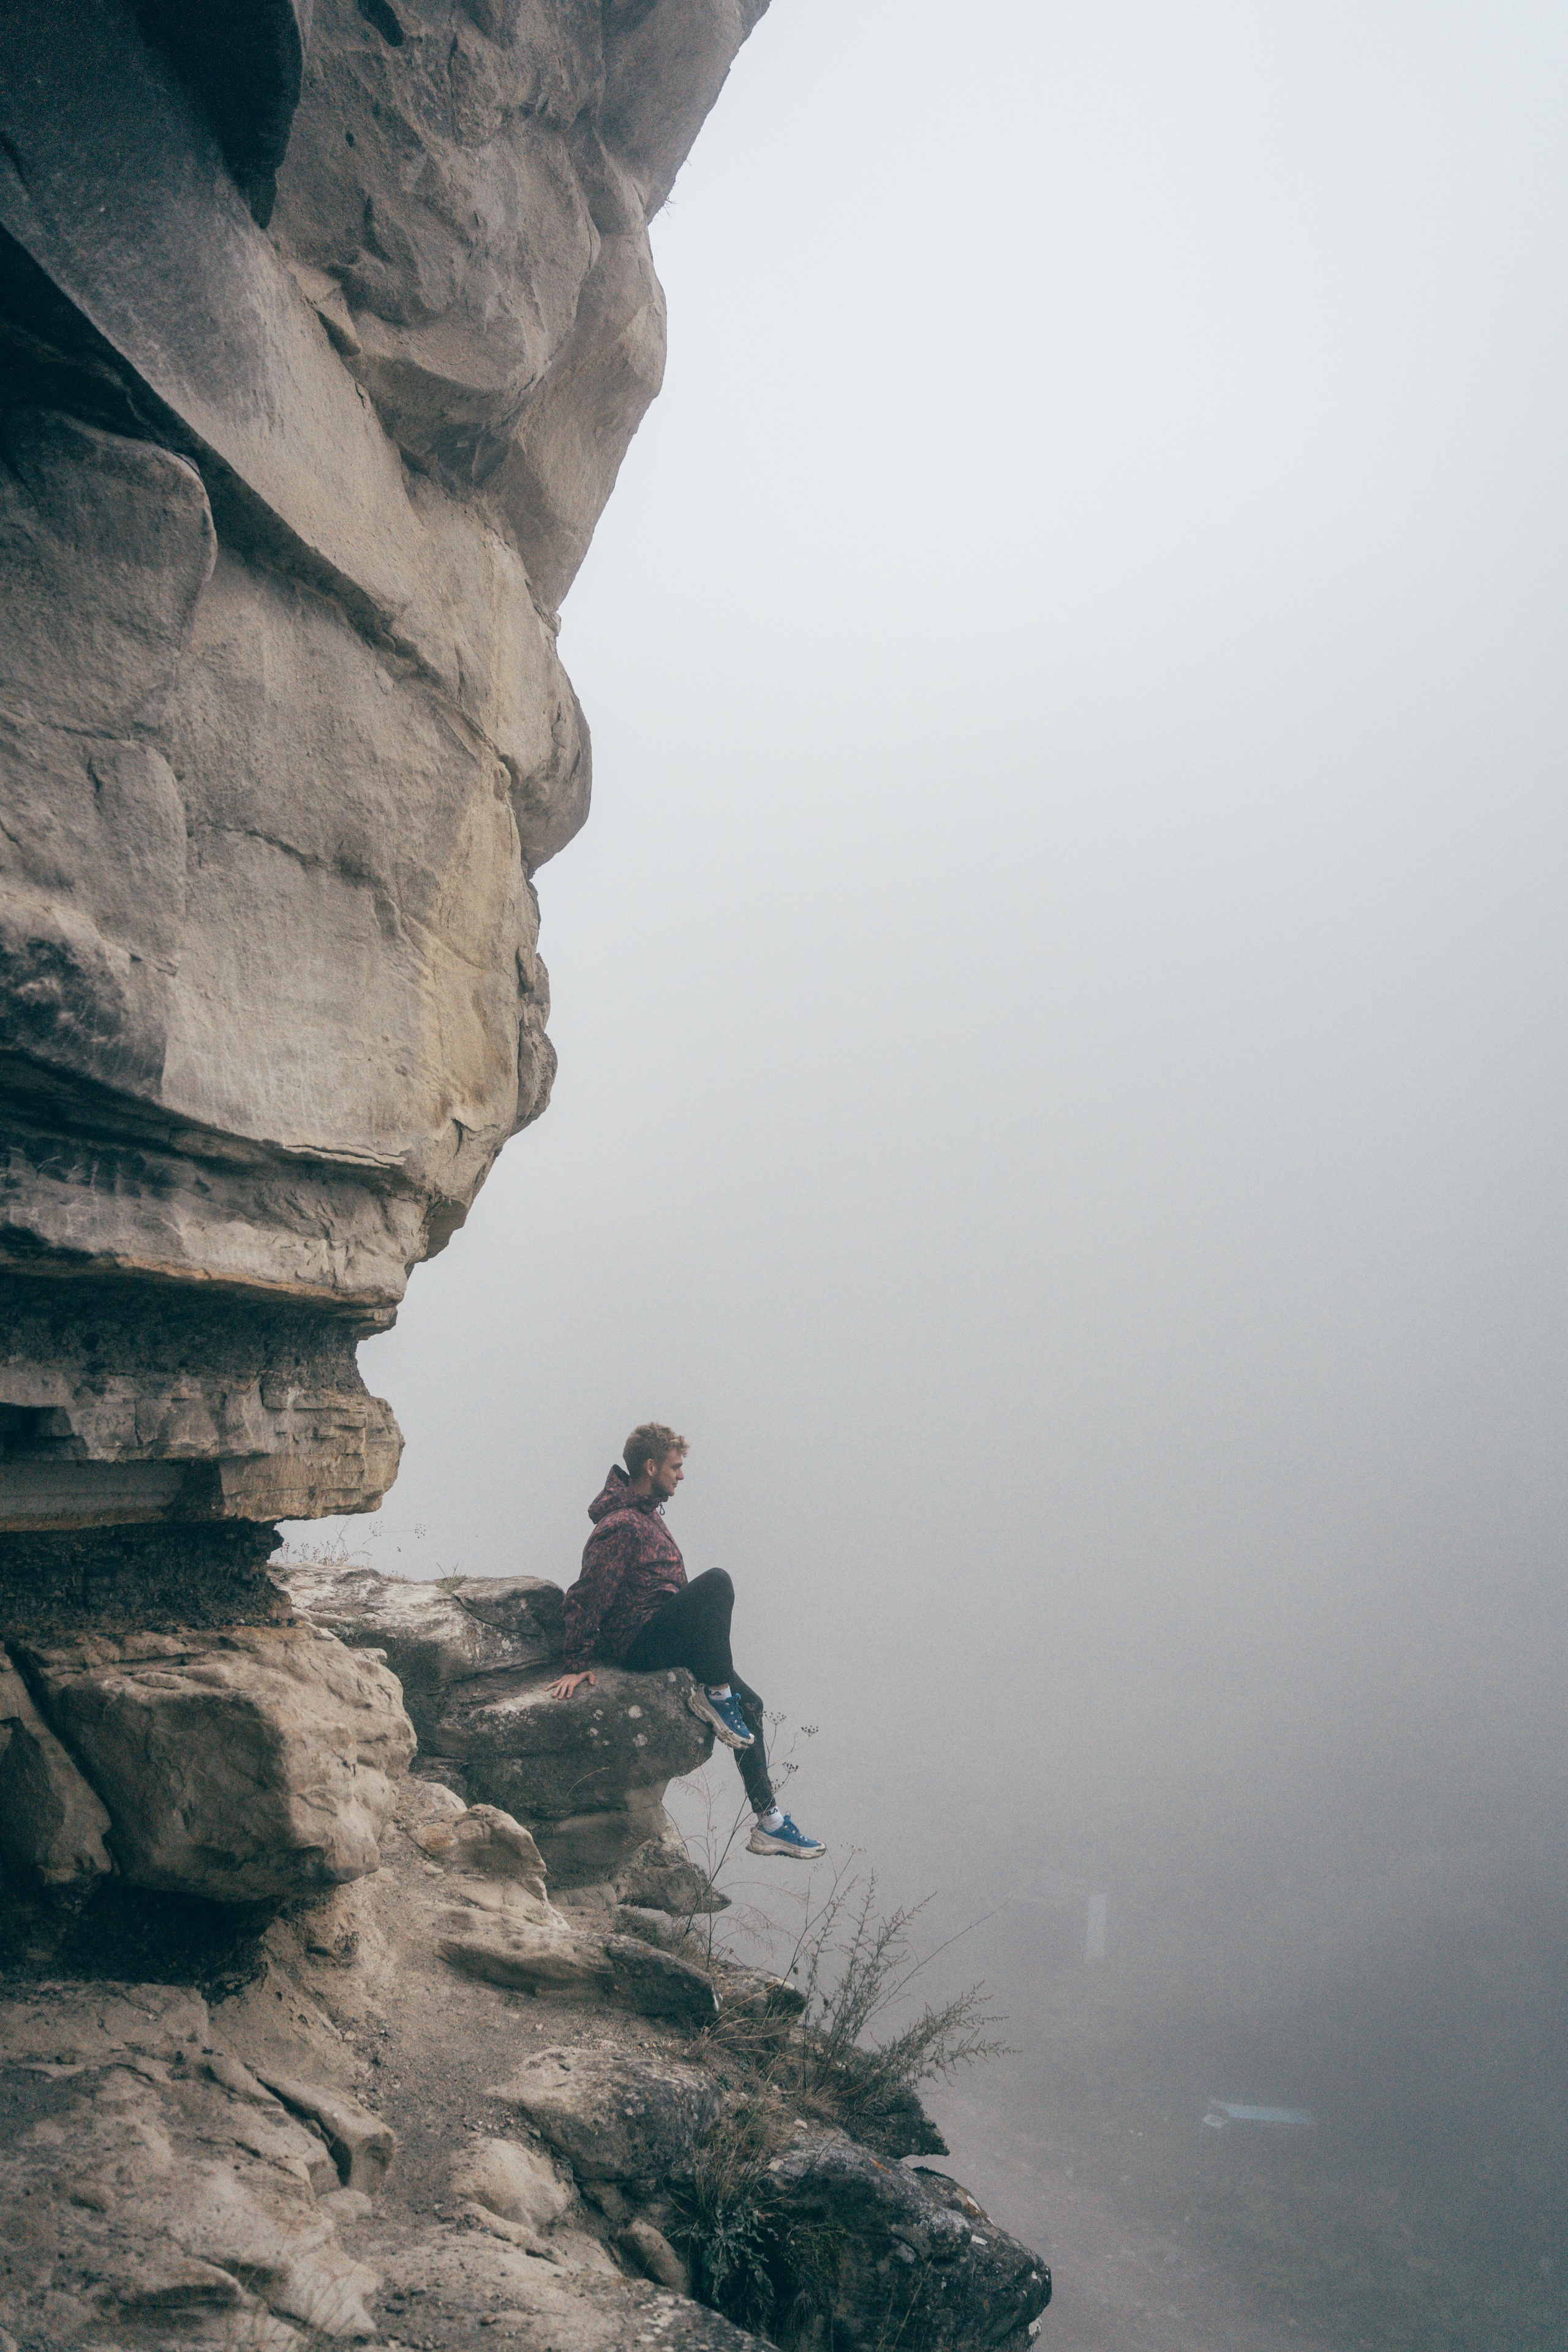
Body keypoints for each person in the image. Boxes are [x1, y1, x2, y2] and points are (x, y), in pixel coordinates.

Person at [549, 1423, 825, 1858]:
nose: (681, 1475)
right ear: (650, 1466)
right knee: (717, 1583)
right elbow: (589, 1592)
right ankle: (716, 1695)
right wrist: (575, 1662)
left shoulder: (647, 1515)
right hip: (638, 1643)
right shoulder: (622, 1525)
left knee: (751, 1705)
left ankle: (770, 1823)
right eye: (675, 1466)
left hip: (666, 1633)